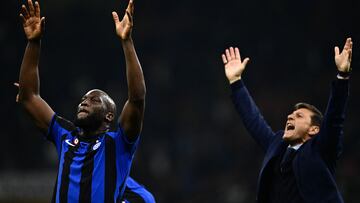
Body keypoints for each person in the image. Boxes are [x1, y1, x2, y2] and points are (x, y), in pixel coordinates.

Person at [17, 0, 146, 202]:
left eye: (94, 100)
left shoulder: (118, 144)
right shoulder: (64, 134)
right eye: (83, 99)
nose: (84, 102)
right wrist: (33, 43)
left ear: (109, 115)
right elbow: (29, 97)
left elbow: (137, 99)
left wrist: (126, 41)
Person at [221, 38, 352, 203]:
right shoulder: (277, 145)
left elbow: (335, 118)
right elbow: (254, 121)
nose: (290, 116)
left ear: (314, 130)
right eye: (291, 114)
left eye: (299, 116)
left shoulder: (320, 150)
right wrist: (236, 82)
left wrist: (342, 76)